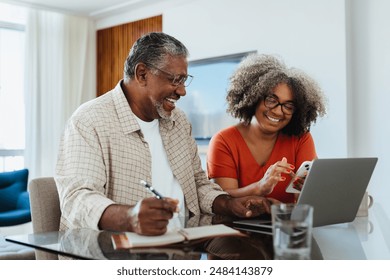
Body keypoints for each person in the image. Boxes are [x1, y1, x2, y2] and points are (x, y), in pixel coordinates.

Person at [55, 32, 271, 236]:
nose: (182, 91)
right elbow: (77, 198)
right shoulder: (89, 120)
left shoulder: (179, 121)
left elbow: (197, 183)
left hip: (184, 246)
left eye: (184, 80)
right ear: (142, 74)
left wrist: (229, 204)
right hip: (112, 254)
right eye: (175, 80)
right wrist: (129, 217)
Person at [207, 54, 327, 203]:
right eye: (271, 100)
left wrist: (308, 193)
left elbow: (308, 198)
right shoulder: (224, 141)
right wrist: (259, 188)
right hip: (235, 225)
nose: (278, 111)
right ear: (253, 97)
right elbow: (221, 200)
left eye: (288, 106)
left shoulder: (301, 139)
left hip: (286, 223)